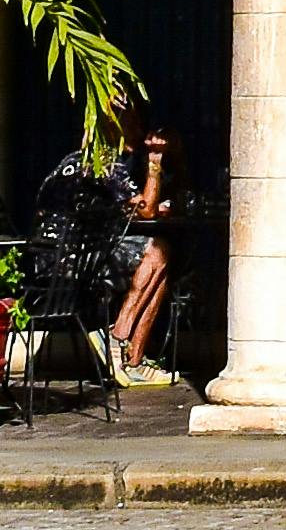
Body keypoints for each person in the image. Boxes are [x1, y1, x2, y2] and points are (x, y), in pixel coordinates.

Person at [105, 98, 189, 390]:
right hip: (95, 252)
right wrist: (154, 162)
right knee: (158, 253)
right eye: (123, 116)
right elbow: (147, 212)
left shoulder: (135, 156)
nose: (134, 124)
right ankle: (117, 336)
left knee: (164, 260)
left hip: (127, 241)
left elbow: (165, 201)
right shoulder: (108, 161)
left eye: (133, 115)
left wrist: (168, 158)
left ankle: (134, 360)